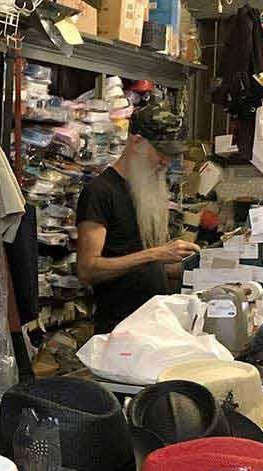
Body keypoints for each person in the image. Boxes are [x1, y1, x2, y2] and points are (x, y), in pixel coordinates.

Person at [76, 99, 201, 333]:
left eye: (171, 155)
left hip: (154, 323)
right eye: (161, 152)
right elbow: (87, 269)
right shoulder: (100, 191)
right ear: (137, 142)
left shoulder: (146, 191)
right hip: (120, 330)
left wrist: (193, 268)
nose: (166, 161)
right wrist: (156, 253)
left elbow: (139, 264)